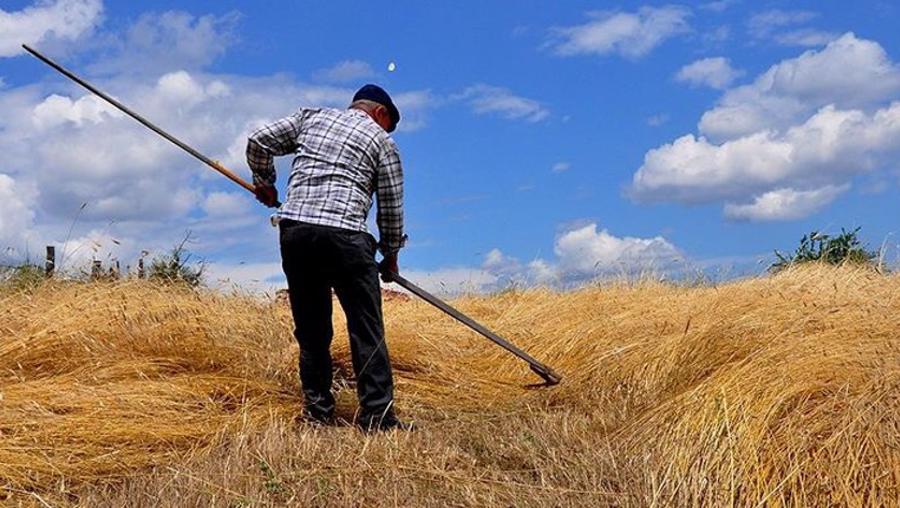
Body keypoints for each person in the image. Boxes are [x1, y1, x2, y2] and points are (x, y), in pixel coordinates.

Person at [246, 84, 411, 432]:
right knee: (366, 328)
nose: (385, 131)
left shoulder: (312, 118)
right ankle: (377, 417)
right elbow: (391, 208)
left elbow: (259, 140)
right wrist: (391, 254)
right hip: (346, 237)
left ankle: (318, 412)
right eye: (387, 124)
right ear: (380, 114)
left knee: (312, 328)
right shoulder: (383, 143)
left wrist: (265, 182)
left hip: (297, 233)